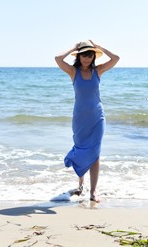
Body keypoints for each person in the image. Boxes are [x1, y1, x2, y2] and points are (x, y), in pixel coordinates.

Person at [55, 40, 119, 202]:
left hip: (97, 118)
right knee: (82, 149)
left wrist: (99, 46)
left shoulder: (98, 71)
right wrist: (73, 48)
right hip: (80, 119)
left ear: (93, 56)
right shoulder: (73, 72)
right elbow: (58, 58)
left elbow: (116, 58)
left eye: (90, 55)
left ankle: (93, 192)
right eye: (84, 54)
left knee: (95, 154)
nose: (87, 58)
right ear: (79, 56)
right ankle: (81, 183)